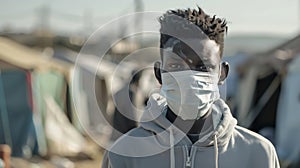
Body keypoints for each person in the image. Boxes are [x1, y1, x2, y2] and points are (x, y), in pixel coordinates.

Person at [102, 6, 280, 168]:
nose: (190, 77)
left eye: (203, 67)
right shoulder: (125, 154)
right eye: (176, 66)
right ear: (159, 74)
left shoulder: (258, 154)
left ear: (222, 74)